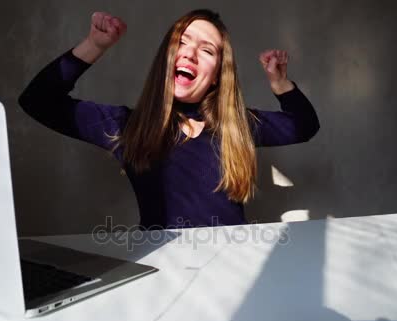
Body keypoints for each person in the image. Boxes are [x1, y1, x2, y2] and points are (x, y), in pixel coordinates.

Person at [18, 9, 319, 230]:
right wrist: (94, 46)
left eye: (207, 50)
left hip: (231, 261)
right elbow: (37, 101)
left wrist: (280, 84)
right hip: (162, 266)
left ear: (216, 77)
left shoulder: (238, 125)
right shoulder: (127, 126)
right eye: (183, 42)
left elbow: (305, 125)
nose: (190, 54)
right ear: (166, 58)